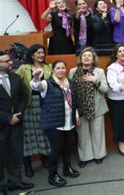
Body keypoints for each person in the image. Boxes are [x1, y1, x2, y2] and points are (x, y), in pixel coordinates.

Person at [30, 60, 80, 187]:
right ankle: (52, 176)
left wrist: (76, 114)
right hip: (54, 123)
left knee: (67, 147)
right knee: (56, 150)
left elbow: (74, 100)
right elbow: (36, 86)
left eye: (63, 68)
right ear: (53, 70)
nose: (61, 70)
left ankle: (66, 168)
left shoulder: (70, 82)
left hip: (69, 121)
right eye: (58, 68)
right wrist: (36, 78)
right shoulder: (47, 83)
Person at [15, 45, 51, 178]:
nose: (41, 55)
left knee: (44, 131)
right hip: (29, 105)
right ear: (32, 55)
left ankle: (44, 157)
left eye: (43, 52)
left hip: (44, 104)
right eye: (38, 53)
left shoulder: (49, 67)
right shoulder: (24, 68)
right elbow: (15, 83)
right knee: (28, 135)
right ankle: (28, 165)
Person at [0, 51, 34, 194]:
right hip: (1, 125)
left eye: (10, 60)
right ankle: (1, 187)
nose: (10, 63)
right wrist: (8, 118)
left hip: (17, 123)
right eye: (6, 61)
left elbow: (24, 96)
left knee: (15, 154)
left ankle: (15, 182)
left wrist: (17, 115)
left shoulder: (15, 77)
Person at [69, 47, 109, 168]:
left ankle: (99, 155)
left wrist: (96, 81)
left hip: (96, 107)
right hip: (80, 108)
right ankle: (85, 157)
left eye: (89, 56)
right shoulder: (73, 71)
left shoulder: (99, 71)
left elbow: (105, 89)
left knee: (98, 133)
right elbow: (70, 90)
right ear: (80, 58)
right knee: (82, 134)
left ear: (93, 59)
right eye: (84, 55)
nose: (86, 57)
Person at [106, 44, 124, 157]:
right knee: (119, 123)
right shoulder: (112, 67)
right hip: (116, 99)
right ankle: (121, 145)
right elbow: (112, 84)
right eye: (120, 51)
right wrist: (123, 87)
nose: (123, 53)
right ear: (116, 54)